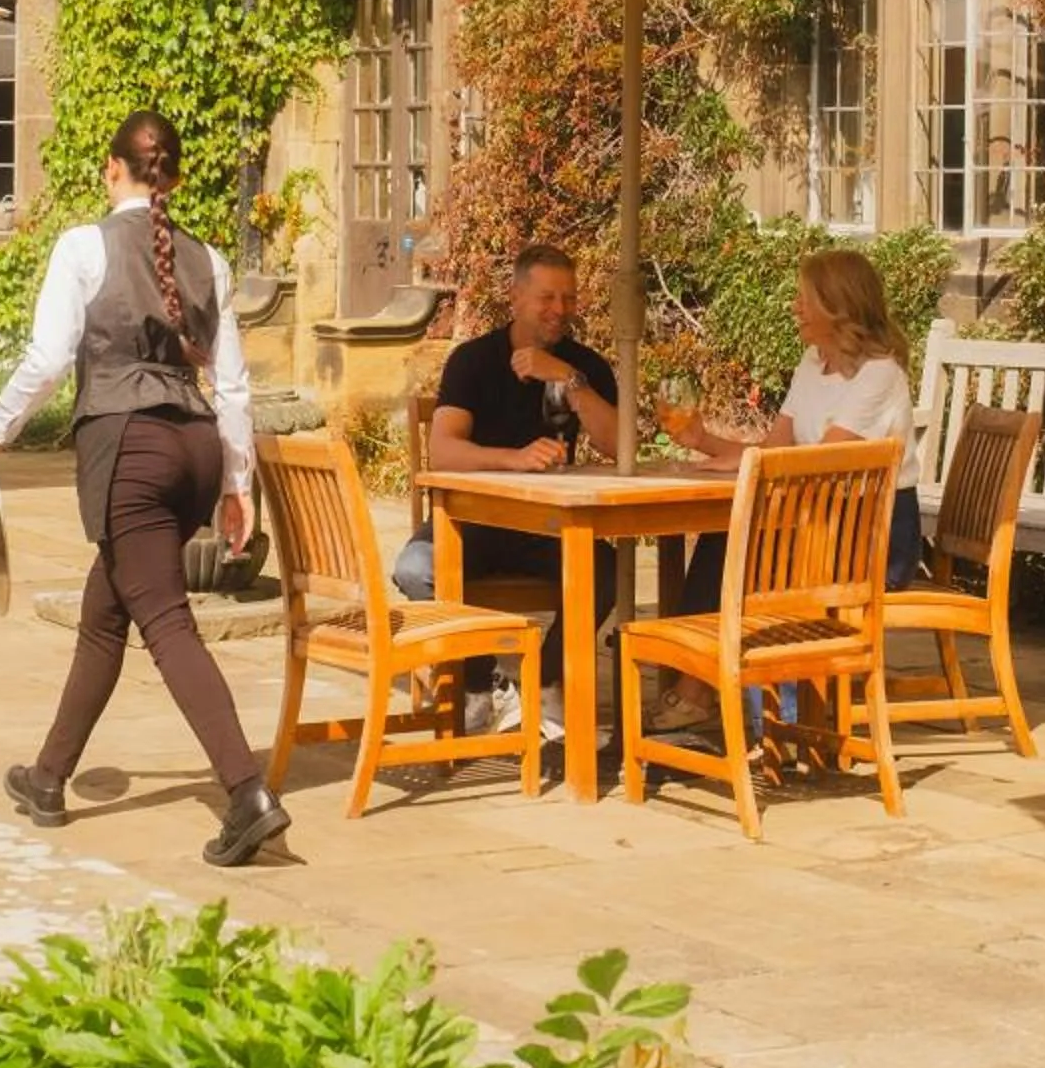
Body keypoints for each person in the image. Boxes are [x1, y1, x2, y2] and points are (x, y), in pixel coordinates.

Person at [0, 111, 287, 869]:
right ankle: (48, 778)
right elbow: (233, 387)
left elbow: (49, 357)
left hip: (132, 450)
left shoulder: (84, 246)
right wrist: (235, 486)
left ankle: (247, 794)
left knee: (166, 624)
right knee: (106, 614)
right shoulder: (207, 259)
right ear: (170, 178)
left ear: (114, 169)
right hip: (197, 448)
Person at [652, 247, 923, 730]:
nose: (795, 307)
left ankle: (701, 687)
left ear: (837, 305)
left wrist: (749, 471)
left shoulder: (879, 374)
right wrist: (705, 442)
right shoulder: (812, 362)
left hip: (871, 534)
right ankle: (700, 683)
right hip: (814, 517)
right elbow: (777, 447)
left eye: (804, 299)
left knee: (739, 546)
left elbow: (819, 462)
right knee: (721, 538)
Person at [392, 244, 621, 739]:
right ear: (515, 297)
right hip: (471, 523)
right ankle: (486, 683)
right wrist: (513, 458)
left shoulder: (586, 367)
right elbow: (444, 452)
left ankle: (547, 678)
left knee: (604, 568)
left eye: (569, 298)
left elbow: (618, 445)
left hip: (545, 528)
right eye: (546, 298)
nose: (559, 310)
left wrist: (567, 378)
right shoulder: (473, 361)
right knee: (415, 569)